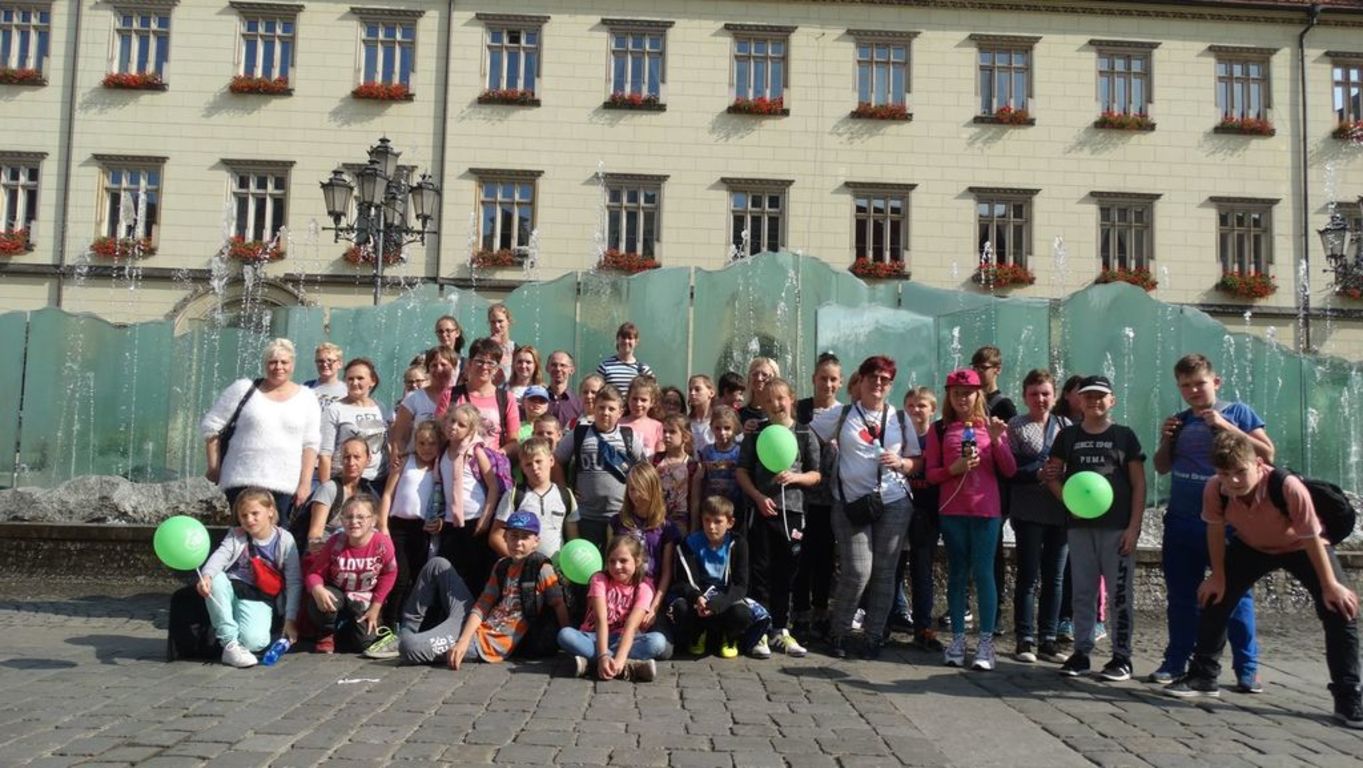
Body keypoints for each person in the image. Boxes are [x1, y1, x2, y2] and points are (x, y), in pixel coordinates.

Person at [1163, 432, 1361, 728]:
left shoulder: (1287, 487)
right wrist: (1218, 576)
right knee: (1215, 596)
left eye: (1240, 472)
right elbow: (1215, 530)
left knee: (1340, 610)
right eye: (1224, 474)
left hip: (1302, 546)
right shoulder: (1215, 488)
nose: (1233, 481)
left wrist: (1330, 585)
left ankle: (1348, 696)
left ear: (1258, 464)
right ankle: (1203, 676)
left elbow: (1312, 536)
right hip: (1252, 546)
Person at [1151, 353, 1272, 691]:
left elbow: (1267, 453)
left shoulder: (1239, 412)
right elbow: (1161, 467)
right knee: (1181, 597)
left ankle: (1247, 669)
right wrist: (1167, 439)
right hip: (1182, 521)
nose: (1193, 390)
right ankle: (1177, 660)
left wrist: (1225, 426)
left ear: (1215, 382)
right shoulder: (1179, 421)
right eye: (1185, 385)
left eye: (1199, 383)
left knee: (1236, 597)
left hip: (1230, 524)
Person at [815, 356, 920, 660]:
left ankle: (874, 637)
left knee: (885, 573)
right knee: (858, 571)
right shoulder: (842, 414)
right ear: (859, 381)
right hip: (851, 503)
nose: (878, 383)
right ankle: (839, 632)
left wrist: (901, 462)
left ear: (890, 385)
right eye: (872, 377)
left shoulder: (899, 419)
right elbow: (803, 433)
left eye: (885, 379)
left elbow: (917, 462)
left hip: (894, 501)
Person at [1047, 375, 1145, 681]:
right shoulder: (1068, 436)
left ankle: (1122, 657)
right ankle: (1081, 652)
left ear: (1112, 400)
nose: (1094, 401)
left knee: (1119, 595)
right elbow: (1052, 475)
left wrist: (1134, 528)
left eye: (1100, 396)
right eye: (1088, 396)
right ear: (1079, 401)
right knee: (1082, 592)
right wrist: (1070, 500)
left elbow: (1139, 484)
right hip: (1079, 528)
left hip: (1117, 529)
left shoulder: (1124, 436)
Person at [925, 368, 1016, 670]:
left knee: (984, 573)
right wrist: (953, 470)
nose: (962, 398)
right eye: (956, 393)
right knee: (957, 574)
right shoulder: (940, 430)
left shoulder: (992, 426)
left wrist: (997, 441)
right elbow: (931, 474)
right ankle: (958, 639)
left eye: (968, 393)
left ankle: (986, 642)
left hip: (985, 512)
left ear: (979, 395)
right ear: (949, 396)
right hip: (952, 511)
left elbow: (1010, 470)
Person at [737, 377, 820, 659]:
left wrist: (796, 477)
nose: (775, 404)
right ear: (762, 403)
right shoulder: (756, 433)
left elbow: (816, 474)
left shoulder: (805, 433)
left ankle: (780, 629)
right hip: (762, 510)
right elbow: (742, 471)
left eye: (780, 398)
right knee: (759, 571)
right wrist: (757, 497)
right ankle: (758, 630)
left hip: (792, 512)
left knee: (786, 572)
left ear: (791, 398)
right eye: (769, 400)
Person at [201, 338, 321, 522]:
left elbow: (310, 444)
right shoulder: (243, 389)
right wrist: (214, 467)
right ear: (265, 364)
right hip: (242, 479)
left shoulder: (307, 397)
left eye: (284, 362)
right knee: (243, 532)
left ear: (292, 364)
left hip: (284, 484)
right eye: (273, 362)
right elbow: (211, 426)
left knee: (279, 534)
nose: (278, 367)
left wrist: (305, 484)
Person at [444, 511, 570, 667]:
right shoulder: (501, 566)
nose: (518, 543)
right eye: (514, 536)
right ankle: (415, 626)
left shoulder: (541, 568)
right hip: (479, 629)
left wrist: (567, 643)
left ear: (536, 541)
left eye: (525, 537)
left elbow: (558, 604)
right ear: (505, 538)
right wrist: (464, 639)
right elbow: (483, 604)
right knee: (438, 565)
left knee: (419, 647)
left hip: (493, 644)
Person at [1007, 370, 1072, 665]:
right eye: (1034, 394)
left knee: (1055, 578)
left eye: (1045, 393)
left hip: (1060, 510)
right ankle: (1024, 637)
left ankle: (1048, 638)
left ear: (1054, 396)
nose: (1040, 399)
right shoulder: (1016, 426)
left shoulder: (1067, 426)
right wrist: (1037, 472)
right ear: (1025, 397)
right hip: (1028, 511)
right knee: (1028, 576)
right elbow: (1008, 468)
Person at [197, 488, 302, 668]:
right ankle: (229, 643)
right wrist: (206, 576)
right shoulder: (236, 534)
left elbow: (294, 581)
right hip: (231, 588)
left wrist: (290, 619)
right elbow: (219, 556)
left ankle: (234, 637)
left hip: (258, 595)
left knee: (255, 642)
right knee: (216, 578)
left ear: (270, 511)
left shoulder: (284, 539)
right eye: (244, 515)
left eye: (255, 514)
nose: (249, 520)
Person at [557, 535, 666, 681]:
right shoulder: (599, 579)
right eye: (612, 561)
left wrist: (620, 657)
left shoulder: (644, 587)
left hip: (624, 639)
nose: (617, 566)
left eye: (623, 561)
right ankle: (626, 667)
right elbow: (600, 619)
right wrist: (603, 656)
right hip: (594, 637)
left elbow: (631, 627)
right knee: (565, 635)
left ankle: (593, 664)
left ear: (637, 561)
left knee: (658, 641)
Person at [670, 496, 766, 659]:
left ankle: (729, 638)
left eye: (718, 521)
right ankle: (697, 635)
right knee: (680, 608)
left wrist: (719, 604)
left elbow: (741, 585)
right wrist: (697, 597)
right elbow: (684, 581)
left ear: (730, 522)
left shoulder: (738, 544)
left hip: (725, 599)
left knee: (742, 614)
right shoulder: (689, 543)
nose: (711, 527)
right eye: (707, 520)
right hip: (700, 597)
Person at [552, 385, 646, 549]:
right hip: (585, 517)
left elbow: (644, 470)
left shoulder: (628, 437)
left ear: (620, 412)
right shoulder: (579, 433)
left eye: (611, 409)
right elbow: (556, 460)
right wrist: (565, 491)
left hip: (620, 517)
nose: (605, 412)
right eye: (601, 407)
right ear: (594, 408)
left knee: (617, 561)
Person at [305, 493, 397, 654]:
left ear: (373, 520)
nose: (354, 521)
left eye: (361, 517)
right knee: (322, 600)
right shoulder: (335, 542)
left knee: (365, 644)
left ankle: (347, 629)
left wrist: (376, 607)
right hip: (338, 592)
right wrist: (317, 589)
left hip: (365, 595)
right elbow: (314, 574)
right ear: (342, 520)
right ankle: (327, 632)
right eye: (348, 517)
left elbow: (389, 575)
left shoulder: (383, 544)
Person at [377, 419, 443, 631]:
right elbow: (387, 494)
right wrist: (383, 525)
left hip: (422, 529)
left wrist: (440, 522)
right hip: (398, 526)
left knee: (417, 576)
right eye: (422, 443)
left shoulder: (440, 467)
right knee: (400, 576)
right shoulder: (406, 461)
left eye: (432, 443)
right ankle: (389, 622)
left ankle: (409, 622)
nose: (426, 448)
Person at [609, 463, 680, 656]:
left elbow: (666, 572)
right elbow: (609, 564)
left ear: (652, 489)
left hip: (650, 593)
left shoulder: (666, 527)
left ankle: (616, 652)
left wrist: (654, 608)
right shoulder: (617, 522)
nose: (635, 495)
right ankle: (618, 653)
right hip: (621, 594)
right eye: (631, 489)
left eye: (640, 489)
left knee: (664, 650)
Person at [794, 352, 842, 638]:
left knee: (824, 557)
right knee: (801, 557)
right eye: (823, 378)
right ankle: (800, 612)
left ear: (841, 382)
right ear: (814, 379)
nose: (828, 384)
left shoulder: (846, 413)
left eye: (833, 379)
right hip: (800, 496)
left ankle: (821, 611)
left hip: (830, 499)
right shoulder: (800, 410)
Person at [433, 404, 501, 593]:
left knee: (476, 572)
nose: (454, 427)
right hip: (450, 521)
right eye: (452, 421)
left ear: (471, 430)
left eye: (461, 425)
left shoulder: (475, 452)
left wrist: (485, 519)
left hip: (474, 520)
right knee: (448, 570)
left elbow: (493, 487)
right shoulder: (442, 451)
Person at [902, 387, 944, 651]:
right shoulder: (898, 434)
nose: (915, 410)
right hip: (900, 506)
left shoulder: (937, 436)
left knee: (922, 568)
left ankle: (923, 626)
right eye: (911, 406)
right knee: (892, 567)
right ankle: (886, 620)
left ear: (933, 409)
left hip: (929, 510)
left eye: (921, 406)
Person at [491, 436, 579, 558]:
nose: (534, 467)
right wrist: (518, 563)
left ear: (551, 460)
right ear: (522, 468)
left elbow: (573, 540)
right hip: (524, 568)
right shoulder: (514, 495)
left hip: (557, 567)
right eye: (528, 464)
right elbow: (496, 537)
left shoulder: (565, 495)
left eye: (538, 461)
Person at [299, 436, 378, 553]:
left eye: (357, 457)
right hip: (327, 552)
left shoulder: (369, 492)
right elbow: (315, 536)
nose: (351, 462)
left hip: (358, 555)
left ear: (368, 459)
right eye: (346, 457)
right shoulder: (329, 489)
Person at [318, 358, 388, 485]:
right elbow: (325, 454)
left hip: (378, 480)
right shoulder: (335, 409)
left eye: (360, 378)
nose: (355, 383)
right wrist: (326, 488)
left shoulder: (380, 407)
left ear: (372, 381)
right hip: (345, 480)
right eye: (350, 379)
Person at [388, 347, 458, 472]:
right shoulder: (413, 398)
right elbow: (400, 436)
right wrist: (397, 462)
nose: (439, 369)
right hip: (417, 465)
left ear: (453, 367)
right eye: (434, 365)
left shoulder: (460, 396)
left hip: (449, 465)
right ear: (427, 369)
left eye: (443, 364)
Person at [1053, 373, 1084, 644]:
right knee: (1059, 567)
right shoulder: (1060, 426)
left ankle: (1071, 617)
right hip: (1060, 504)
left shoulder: (1102, 427)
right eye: (1079, 391)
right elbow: (1052, 468)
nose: (1085, 397)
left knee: (1077, 565)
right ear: (1066, 394)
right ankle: (1058, 618)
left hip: (1087, 507)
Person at [455, 338, 521, 455]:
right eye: (479, 361)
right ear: (470, 363)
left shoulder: (507, 398)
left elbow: (513, 442)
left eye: (490, 363)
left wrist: (496, 456)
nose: (484, 367)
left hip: (492, 462)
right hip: (457, 460)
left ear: (496, 369)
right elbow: (440, 434)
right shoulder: (451, 395)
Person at [692, 406, 743, 522]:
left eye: (727, 428)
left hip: (734, 508)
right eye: (717, 428)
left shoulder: (739, 452)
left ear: (734, 428)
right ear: (711, 427)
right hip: (711, 508)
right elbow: (699, 482)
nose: (722, 432)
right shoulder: (706, 452)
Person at [654, 414, 699, 534]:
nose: (667, 435)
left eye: (672, 432)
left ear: (685, 436)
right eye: (665, 431)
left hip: (681, 521)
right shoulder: (655, 460)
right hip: (657, 519)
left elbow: (695, 500)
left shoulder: (693, 465)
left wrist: (693, 528)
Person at [596, 321, 654, 395]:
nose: (626, 341)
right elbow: (596, 392)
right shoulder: (604, 366)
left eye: (630, 338)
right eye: (623, 337)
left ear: (636, 342)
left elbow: (653, 394)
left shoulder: (643, 369)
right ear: (617, 339)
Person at [621, 376, 664, 457]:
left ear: (652, 402)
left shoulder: (657, 426)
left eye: (643, 400)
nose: (638, 404)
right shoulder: (618, 424)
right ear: (628, 398)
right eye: (634, 399)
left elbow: (659, 456)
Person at [739, 357, 780, 436]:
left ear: (774, 378)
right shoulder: (738, 415)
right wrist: (742, 432)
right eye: (755, 374)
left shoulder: (781, 411)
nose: (759, 378)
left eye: (765, 375)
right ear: (749, 378)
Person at [544, 350, 583, 427]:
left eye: (563, 365)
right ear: (547, 368)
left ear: (572, 370)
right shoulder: (539, 400)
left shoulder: (579, 404)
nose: (558, 369)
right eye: (554, 365)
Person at [304, 342, 347, 409]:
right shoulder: (307, 388)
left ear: (340, 364)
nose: (325, 364)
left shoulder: (347, 390)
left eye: (330, 360)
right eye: (320, 361)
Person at [687, 374, 716, 455]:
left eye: (697, 389)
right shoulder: (687, 422)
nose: (692, 393)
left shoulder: (719, 419)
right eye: (690, 390)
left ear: (711, 393)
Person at [486, 304, 516, 385]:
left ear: (508, 322)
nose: (497, 326)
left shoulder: (515, 349)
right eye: (493, 322)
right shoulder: (482, 347)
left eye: (500, 321)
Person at [433, 315, 465, 384]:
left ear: (457, 333)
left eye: (448, 331)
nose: (444, 334)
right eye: (440, 331)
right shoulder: (429, 359)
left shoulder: (464, 364)